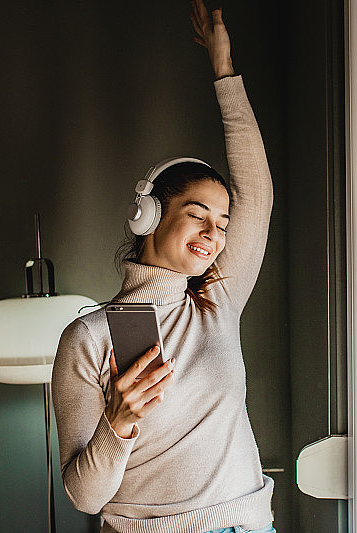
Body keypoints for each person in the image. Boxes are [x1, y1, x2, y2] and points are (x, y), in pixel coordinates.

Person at [51, 1, 276, 532]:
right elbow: (85, 497)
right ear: (149, 216)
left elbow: (258, 194)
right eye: (197, 216)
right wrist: (119, 423)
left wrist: (225, 71)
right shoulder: (88, 336)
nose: (213, 235)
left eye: (221, 223)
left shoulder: (216, 301)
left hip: (246, 525)